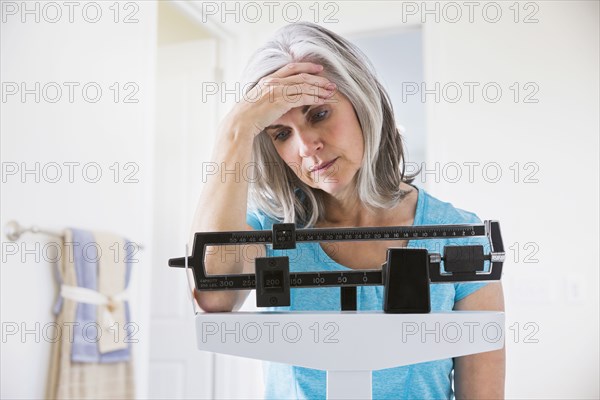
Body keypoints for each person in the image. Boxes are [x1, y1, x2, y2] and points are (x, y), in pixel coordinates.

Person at [190, 21, 505, 400]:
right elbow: (213, 296)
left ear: (362, 104)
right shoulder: (265, 229)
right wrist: (236, 128)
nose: (306, 147)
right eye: (281, 133)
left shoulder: (458, 235)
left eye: (318, 114)